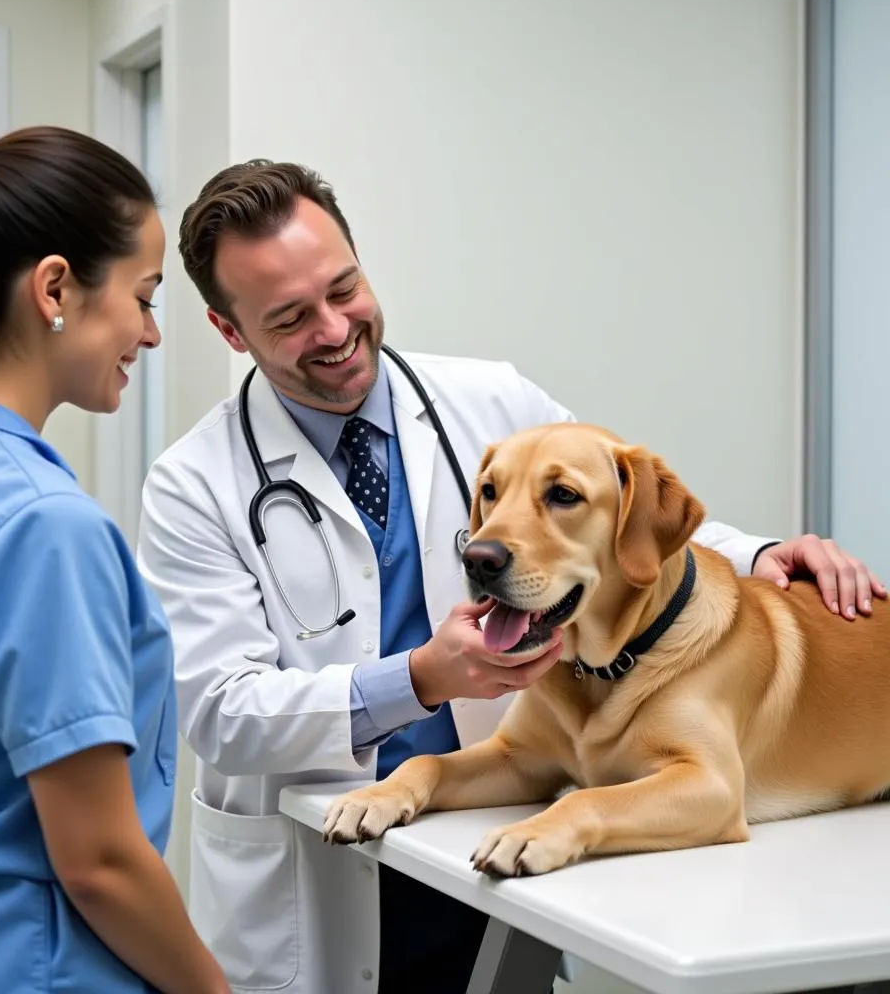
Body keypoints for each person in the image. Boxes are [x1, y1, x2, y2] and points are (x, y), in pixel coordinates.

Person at [136, 159, 885, 994]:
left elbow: (617, 508)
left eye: (344, 288)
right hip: (317, 876)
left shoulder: (489, 399)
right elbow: (220, 712)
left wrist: (760, 556)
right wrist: (418, 680)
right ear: (230, 331)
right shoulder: (193, 483)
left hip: (479, 849)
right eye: (290, 318)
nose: (335, 327)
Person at [0, 127, 231, 994]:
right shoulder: (43, 527)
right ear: (56, 287)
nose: (148, 334)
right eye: (144, 299)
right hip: (34, 969)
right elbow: (100, 861)